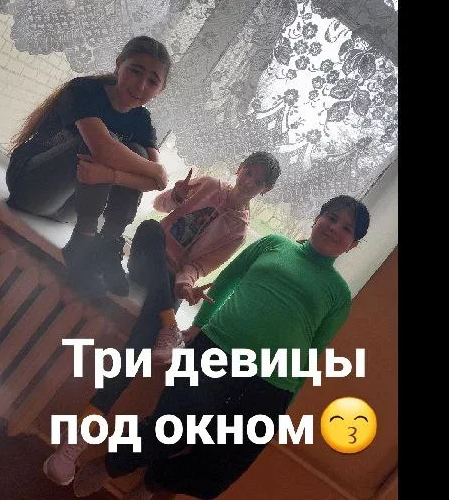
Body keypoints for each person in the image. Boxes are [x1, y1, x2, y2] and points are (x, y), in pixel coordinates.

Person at [69, 195, 371, 499]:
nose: (335, 228)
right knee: (168, 428)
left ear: (353, 244)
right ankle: (111, 465)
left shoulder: (339, 294)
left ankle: (154, 483)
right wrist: (200, 324)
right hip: (216, 349)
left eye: (347, 228)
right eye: (331, 217)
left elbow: (314, 351)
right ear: (317, 218)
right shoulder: (274, 244)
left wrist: (286, 404)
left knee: (217, 472)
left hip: (272, 385)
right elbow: (226, 281)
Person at [42, 151, 281, 487]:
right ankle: (169, 323)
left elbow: (198, 267)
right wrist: (177, 196)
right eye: (248, 173)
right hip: (145, 258)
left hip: (169, 286)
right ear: (239, 169)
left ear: (264, 191)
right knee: (152, 229)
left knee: (135, 351)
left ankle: (74, 446)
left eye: (258, 182)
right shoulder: (208, 184)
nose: (249, 182)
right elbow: (159, 205)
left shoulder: (238, 231)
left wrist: (185, 286)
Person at [5, 36, 171, 298]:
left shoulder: (142, 119)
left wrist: (113, 176)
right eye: (135, 71)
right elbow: (105, 149)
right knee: (105, 142)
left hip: (71, 210)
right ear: (118, 64)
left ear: (160, 89)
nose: (141, 85)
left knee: (136, 152)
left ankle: (108, 244)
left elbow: (155, 181)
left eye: (152, 81)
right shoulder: (84, 90)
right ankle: (81, 244)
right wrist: (157, 171)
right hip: (30, 189)